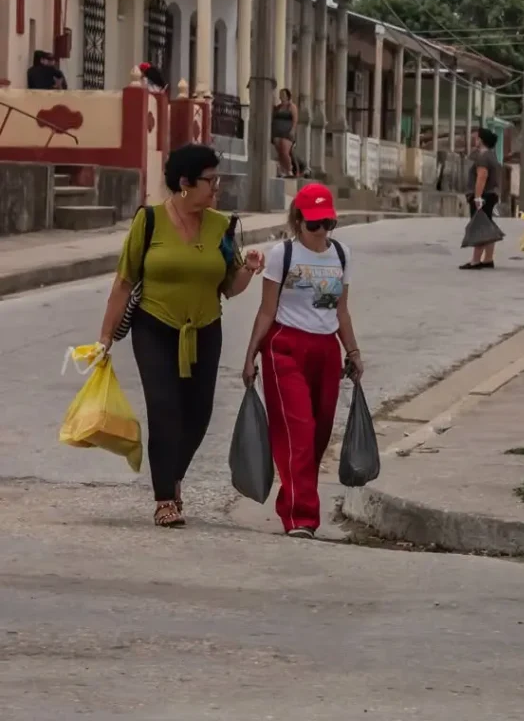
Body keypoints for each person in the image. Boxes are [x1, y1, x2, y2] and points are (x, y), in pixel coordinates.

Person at [97, 143, 265, 528]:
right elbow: (124, 282)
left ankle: (173, 475)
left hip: (205, 328)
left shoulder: (222, 227)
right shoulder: (149, 221)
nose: (217, 188)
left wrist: (248, 269)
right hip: (154, 327)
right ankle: (164, 499)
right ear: (186, 183)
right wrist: (104, 337)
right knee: (164, 409)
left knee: (199, 414)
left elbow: (229, 287)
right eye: (211, 180)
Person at [242, 182, 363, 539]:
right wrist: (250, 355)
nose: (321, 231)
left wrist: (353, 352)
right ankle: (301, 517)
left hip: (326, 350)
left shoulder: (341, 255)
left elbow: (342, 310)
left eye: (328, 223)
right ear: (298, 220)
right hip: (285, 347)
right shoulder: (282, 255)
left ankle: (294, 497)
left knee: (319, 434)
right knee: (298, 432)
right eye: (314, 224)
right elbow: (266, 310)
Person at [460, 127, 501, 271]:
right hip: (491, 194)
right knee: (488, 225)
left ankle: (476, 260)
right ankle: (488, 258)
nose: (474, 140)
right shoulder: (492, 155)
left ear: (481, 140)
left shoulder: (483, 157)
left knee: (479, 226)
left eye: (477, 138)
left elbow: (482, 177)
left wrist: (477, 197)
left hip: (483, 195)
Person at [272, 88, 298, 177]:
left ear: (287, 96)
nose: (281, 96)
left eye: (283, 94)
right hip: (277, 131)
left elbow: (295, 119)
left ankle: (289, 169)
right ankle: (282, 170)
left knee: (285, 151)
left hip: (287, 132)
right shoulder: (278, 107)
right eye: (280, 94)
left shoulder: (291, 106)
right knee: (280, 152)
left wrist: (293, 130)